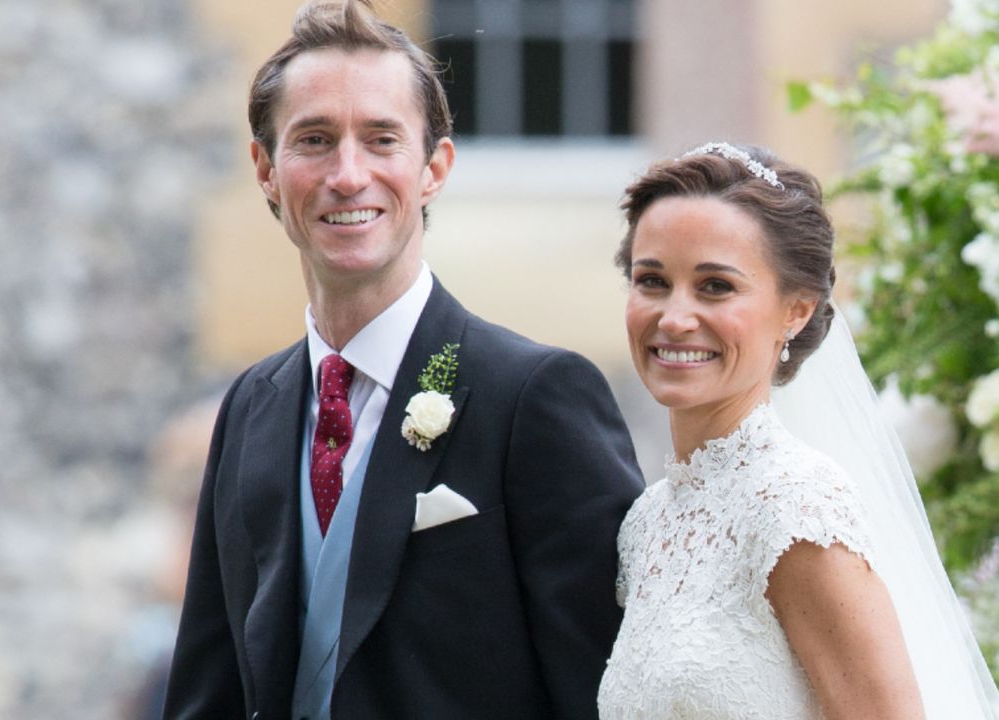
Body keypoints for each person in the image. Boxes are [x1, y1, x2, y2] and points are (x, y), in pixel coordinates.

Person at [163, 1, 644, 717]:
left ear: (433, 168)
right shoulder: (250, 407)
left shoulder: (536, 397)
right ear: (266, 169)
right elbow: (208, 694)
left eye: (382, 139)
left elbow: (608, 693)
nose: (348, 174)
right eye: (315, 140)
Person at [597, 142, 999, 718]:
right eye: (652, 281)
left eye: (716, 286)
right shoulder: (648, 523)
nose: (675, 317)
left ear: (797, 311)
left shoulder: (795, 506)